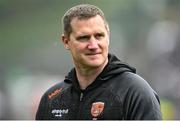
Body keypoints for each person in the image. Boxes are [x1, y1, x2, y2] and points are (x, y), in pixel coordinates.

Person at [36, 4, 162, 120]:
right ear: (66, 41)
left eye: (99, 36)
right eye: (84, 37)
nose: (93, 45)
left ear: (108, 36)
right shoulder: (52, 99)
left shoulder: (135, 92)